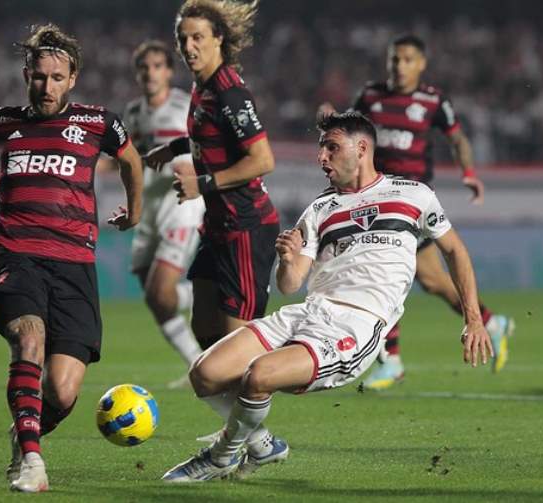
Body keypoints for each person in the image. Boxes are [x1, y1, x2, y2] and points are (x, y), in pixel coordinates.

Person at [160, 111, 493, 482]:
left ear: (362, 148)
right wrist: (287, 260)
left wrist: (474, 319)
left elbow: (455, 252)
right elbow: (290, 284)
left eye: (332, 148)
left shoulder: (414, 195)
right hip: (307, 312)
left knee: (259, 375)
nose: (322, 158)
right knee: (204, 373)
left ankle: (221, 457)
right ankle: (263, 444)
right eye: (321, 150)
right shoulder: (320, 209)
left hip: (356, 323)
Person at [0, 24, 143, 492]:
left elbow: (132, 160)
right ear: (27, 74)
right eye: (38, 77)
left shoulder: (99, 123)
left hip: (74, 266)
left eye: (56, 78)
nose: (46, 87)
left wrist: (135, 212)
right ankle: (33, 462)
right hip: (16, 255)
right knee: (29, 337)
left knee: (64, 392)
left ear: (72, 78)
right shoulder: (4, 122)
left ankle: (24, 432)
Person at [321, 34, 514, 390]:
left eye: (407, 59)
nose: (399, 66)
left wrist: (469, 173)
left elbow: (457, 138)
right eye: (395, 59)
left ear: (421, 64)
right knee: (431, 280)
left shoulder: (433, 100)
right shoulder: (370, 95)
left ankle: (391, 360)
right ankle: (491, 322)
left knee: (383, 267)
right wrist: (332, 120)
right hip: (377, 198)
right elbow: (349, 131)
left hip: (412, 202)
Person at [145, 0, 279, 352]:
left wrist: (201, 184)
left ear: (218, 38)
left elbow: (263, 159)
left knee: (239, 348)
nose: (189, 47)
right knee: (205, 330)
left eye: (198, 37)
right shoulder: (201, 87)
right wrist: (173, 150)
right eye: (183, 38)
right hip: (218, 224)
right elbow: (208, 134)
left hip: (246, 226)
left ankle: (279, 379)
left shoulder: (228, 93)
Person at [122, 40, 205, 388]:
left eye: (158, 66)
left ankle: (201, 297)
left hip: (181, 206)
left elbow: (201, 149)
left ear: (169, 71)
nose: (151, 73)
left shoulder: (185, 106)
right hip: (151, 208)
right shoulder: (133, 113)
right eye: (145, 67)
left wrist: (195, 177)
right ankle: (195, 362)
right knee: (151, 291)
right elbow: (130, 161)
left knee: (160, 293)